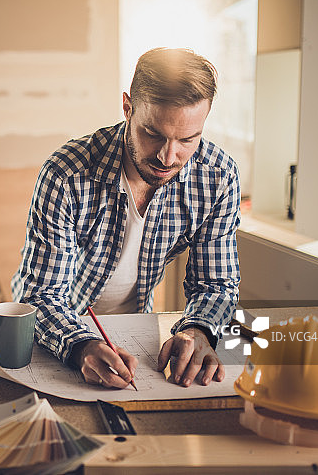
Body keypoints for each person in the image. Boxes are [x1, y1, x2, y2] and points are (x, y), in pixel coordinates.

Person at [12, 47, 240, 389]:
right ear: (127, 107)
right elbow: (41, 293)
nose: (168, 156)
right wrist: (81, 346)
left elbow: (216, 283)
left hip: (137, 328)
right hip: (55, 330)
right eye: (153, 134)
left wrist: (198, 330)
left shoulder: (218, 177)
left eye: (187, 140)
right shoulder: (66, 174)